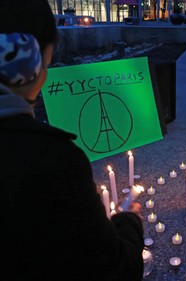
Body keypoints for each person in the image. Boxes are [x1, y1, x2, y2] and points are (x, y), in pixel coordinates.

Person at [0, 1, 144, 280]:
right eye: (48, 62)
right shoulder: (51, 160)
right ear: (28, 62)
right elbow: (114, 270)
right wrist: (128, 223)